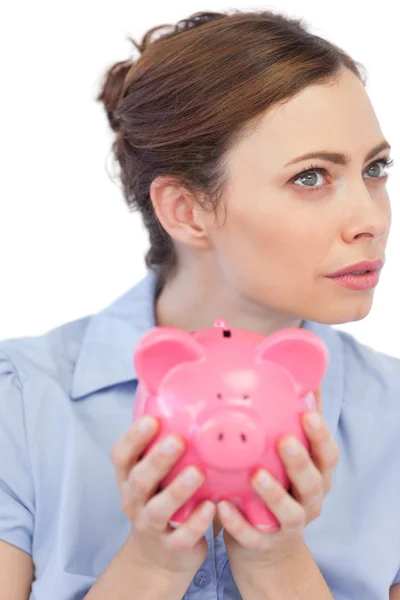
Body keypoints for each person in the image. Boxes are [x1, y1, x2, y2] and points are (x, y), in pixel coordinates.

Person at [1, 8, 399, 600]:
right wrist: (153, 564)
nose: (371, 219)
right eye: (311, 177)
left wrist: (278, 561)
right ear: (186, 210)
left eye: (375, 168)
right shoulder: (20, 403)